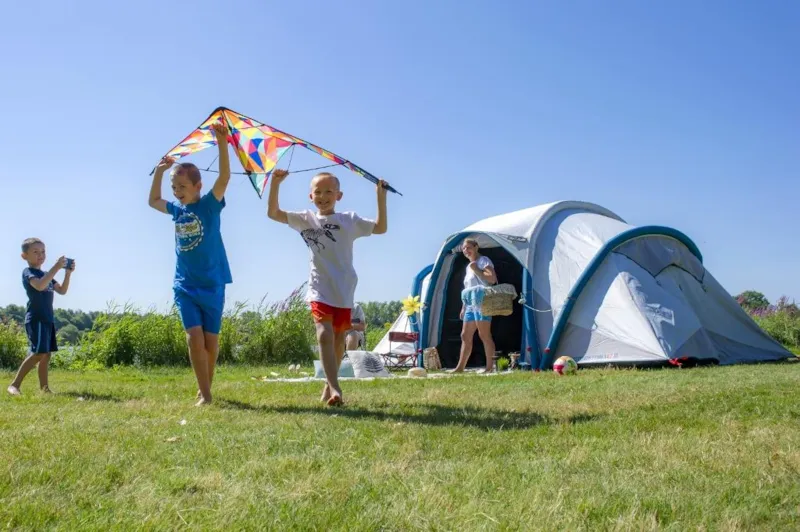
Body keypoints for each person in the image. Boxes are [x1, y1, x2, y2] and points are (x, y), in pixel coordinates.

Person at [267, 169, 388, 406]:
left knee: (339, 339)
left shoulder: (348, 220)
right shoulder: (305, 219)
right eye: (318, 192)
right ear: (310, 196)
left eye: (329, 192)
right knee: (324, 333)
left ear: (339, 195)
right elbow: (273, 213)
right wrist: (276, 184)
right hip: (319, 288)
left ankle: (328, 384)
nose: (323, 196)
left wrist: (380, 196)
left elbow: (380, 227)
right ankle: (335, 388)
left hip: (343, 288)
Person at [148, 122, 231, 406]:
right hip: (185, 285)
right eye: (174, 187)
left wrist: (222, 143)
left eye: (182, 186)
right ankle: (205, 394)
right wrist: (160, 172)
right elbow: (153, 201)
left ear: (198, 186)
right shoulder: (176, 210)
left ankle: (205, 386)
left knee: (211, 342)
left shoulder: (209, 205)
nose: (177, 191)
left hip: (213, 283)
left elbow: (224, 178)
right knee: (194, 338)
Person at [8, 238, 75, 396]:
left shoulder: (47, 275)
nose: (41, 255)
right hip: (36, 318)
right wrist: (56, 267)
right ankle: (14, 385)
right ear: (24, 256)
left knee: (46, 354)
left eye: (43, 251)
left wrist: (67, 273)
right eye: (36, 252)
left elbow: (62, 290)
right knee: (38, 353)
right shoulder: (28, 272)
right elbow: (39, 286)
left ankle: (45, 389)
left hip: (47, 319)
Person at [451, 237, 497, 373]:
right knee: (465, 335)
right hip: (469, 302)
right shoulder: (468, 267)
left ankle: (490, 368)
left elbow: (492, 279)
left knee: (484, 334)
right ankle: (460, 368)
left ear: (476, 247)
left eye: (468, 247)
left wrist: (476, 269)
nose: (466, 250)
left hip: (481, 299)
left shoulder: (483, 260)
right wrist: (464, 307)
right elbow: (468, 287)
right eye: (464, 249)